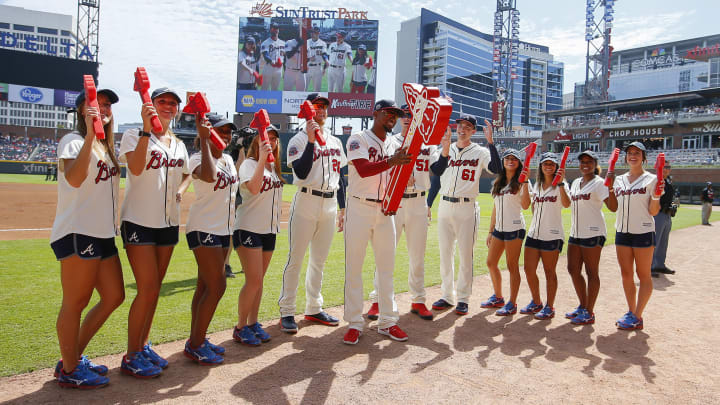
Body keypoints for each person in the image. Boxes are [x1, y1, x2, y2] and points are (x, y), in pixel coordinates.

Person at [50, 88, 124, 389]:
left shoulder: (106, 148)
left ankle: (72, 356)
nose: (103, 108)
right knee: (76, 301)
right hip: (79, 231)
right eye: (96, 103)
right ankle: (69, 369)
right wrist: (92, 136)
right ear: (83, 110)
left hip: (103, 233)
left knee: (114, 296)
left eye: (107, 105)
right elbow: (75, 178)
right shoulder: (75, 140)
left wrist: (100, 140)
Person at [119, 87, 190, 378]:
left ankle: (143, 344)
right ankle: (131, 354)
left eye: (173, 103)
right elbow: (134, 168)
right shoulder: (135, 134)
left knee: (154, 290)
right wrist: (148, 130)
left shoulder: (178, 144)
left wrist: (180, 192)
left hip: (168, 222)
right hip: (139, 220)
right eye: (162, 101)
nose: (168, 106)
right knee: (147, 288)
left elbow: (186, 173)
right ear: (150, 104)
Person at [366, 104, 451, 321]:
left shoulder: (428, 143)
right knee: (385, 253)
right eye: (404, 115)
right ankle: (378, 300)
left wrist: (446, 148)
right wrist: (399, 175)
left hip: (418, 203)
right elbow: (381, 168)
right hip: (395, 200)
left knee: (417, 255)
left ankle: (418, 300)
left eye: (412, 115)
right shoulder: (390, 140)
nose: (407, 118)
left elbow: (439, 170)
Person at [342, 99, 412, 345]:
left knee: (386, 268)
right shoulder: (358, 139)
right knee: (354, 267)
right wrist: (393, 161)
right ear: (376, 114)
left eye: (396, 114)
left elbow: (397, 175)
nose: (393, 117)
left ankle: (388, 321)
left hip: (385, 210)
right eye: (389, 113)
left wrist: (398, 193)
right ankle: (354, 323)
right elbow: (363, 169)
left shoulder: (394, 143)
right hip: (359, 206)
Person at [278, 93, 347, 333]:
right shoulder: (297, 140)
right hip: (306, 200)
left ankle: (313, 308)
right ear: (308, 110)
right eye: (317, 106)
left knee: (319, 260)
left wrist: (342, 208)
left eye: (325, 107)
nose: (322, 111)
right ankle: (287, 310)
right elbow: (302, 172)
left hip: (329, 204)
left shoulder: (335, 141)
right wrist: (310, 140)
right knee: (295, 259)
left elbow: (340, 178)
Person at [183, 114, 238, 365]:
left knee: (204, 287)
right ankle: (195, 344)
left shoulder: (228, 158)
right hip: (203, 227)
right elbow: (207, 176)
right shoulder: (196, 157)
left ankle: (197, 339)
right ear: (208, 131)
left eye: (228, 132)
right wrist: (205, 142)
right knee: (218, 286)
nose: (225, 135)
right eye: (221, 130)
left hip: (224, 230)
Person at [430, 116, 500, 316]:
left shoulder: (480, 151)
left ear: (473, 131)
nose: (462, 129)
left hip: (466, 207)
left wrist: (491, 143)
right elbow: (436, 172)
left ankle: (462, 298)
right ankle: (447, 295)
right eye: (460, 126)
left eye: (467, 127)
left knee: (465, 255)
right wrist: (444, 150)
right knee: (445, 253)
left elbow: (496, 169)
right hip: (444, 205)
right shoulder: (445, 147)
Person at [232, 125, 284, 346]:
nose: (269, 142)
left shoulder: (274, 168)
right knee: (253, 280)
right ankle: (240, 326)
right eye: (265, 138)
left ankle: (253, 323)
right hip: (249, 228)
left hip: (268, 230)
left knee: (259, 281)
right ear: (256, 142)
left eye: (273, 138)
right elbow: (252, 189)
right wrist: (262, 159)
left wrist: (268, 163)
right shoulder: (249, 164)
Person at [611, 141, 663, 330]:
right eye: (630, 153)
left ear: (644, 157)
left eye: (637, 153)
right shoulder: (619, 180)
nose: (633, 156)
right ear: (626, 157)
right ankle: (631, 311)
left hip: (643, 231)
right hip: (622, 231)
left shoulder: (652, 179)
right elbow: (614, 205)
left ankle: (638, 315)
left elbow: (653, 211)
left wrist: (656, 196)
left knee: (643, 275)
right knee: (626, 274)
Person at [566, 150, 617, 325]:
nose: (585, 164)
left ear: (595, 165)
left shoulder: (600, 183)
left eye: (589, 161)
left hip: (593, 232)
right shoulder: (575, 183)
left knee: (591, 272)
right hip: (576, 232)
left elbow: (613, 207)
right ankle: (582, 305)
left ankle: (589, 312)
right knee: (573, 269)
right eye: (582, 161)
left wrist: (610, 186)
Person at [520, 152, 570, 320]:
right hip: (534, 233)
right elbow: (528, 207)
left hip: (552, 234)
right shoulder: (537, 185)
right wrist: (526, 182)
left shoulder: (561, 185)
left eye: (552, 164)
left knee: (549, 271)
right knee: (528, 269)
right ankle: (536, 302)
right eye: (545, 164)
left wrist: (562, 183)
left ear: (556, 167)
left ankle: (550, 306)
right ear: (540, 167)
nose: (548, 166)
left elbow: (566, 203)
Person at [483, 148, 531, 316]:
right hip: (499, 229)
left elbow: (526, 206)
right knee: (491, 262)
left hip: (515, 228)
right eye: (507, 158)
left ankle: (512, 303)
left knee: (512, 266)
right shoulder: (499, 182)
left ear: (519, 163)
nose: (510, 161)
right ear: (503, 162)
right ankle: (498, 297)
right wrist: (490, 230)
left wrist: (525, 183)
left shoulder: (523, 181)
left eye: (514, 159)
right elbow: (496, 208)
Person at [651, 162, 675, 277]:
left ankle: (659, 265)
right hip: (658, 215)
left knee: (663, 242)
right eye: (663, 167)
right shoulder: (655, 181)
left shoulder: (668, 181)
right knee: (654, 242)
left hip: (667, 215)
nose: (666, 169)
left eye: (668, 167)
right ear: (657, 168)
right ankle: (650, 266)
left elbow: (670, 197)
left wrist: (673, 205)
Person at [260, 22, 285, 91]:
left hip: (279, 69)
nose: (275, 30)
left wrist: (285, 71)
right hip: (269, 68)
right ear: (270, 30)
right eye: (273, 28)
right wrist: (271, 61)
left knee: (275, 90)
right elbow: (265, 55)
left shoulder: (283, 43)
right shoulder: (265, 43)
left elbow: (285, 58)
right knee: (264, 89)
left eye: (277, 28)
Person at [305, 26, 328, 92]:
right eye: (311, 32)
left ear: (318, 33)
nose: (312, 34)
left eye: (314, 32)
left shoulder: (322, 43)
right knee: (304, 89)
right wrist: (309, 59)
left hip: (318, 68)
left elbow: (324, 54)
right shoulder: (306, 42)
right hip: (307, 67)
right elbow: (302, 55)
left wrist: (326, 60)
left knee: (317, 90)